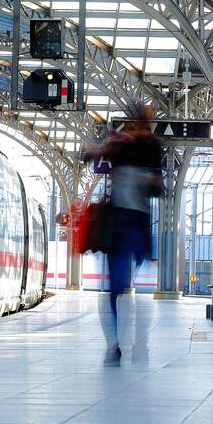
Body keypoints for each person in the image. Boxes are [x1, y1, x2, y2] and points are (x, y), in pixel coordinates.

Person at [83, 104, 163, 366]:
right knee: (129, 286)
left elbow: (89, 154)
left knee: (115, 288)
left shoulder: (131, 145)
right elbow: (158, 187)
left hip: (123, 225)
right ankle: (127, 343)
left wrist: (97, 147)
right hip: (130, 224)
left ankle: (115, 345)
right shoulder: (139, 146)